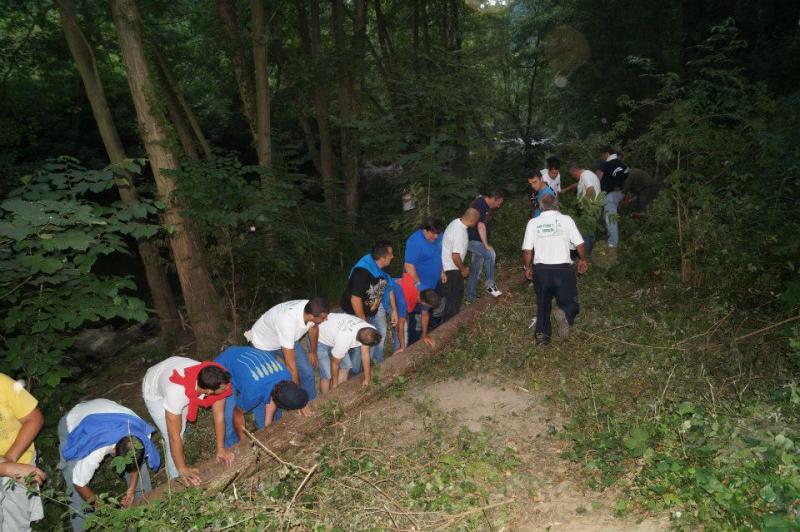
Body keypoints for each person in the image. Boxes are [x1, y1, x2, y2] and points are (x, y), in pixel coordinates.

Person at [58, 398, 160, 531]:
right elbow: (79, 483)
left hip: (107, 413)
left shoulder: (141, 436)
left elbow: (136, 462)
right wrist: (104, 510)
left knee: (142, 472)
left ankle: (144, 516)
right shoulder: (96, 449)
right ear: (113, 451)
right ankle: (83, 527)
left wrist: (132, 489)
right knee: (75, 488)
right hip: (73, 425)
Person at [142, 357, 233, 486]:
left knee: (180, 428)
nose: (227, 388)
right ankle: (176, 479)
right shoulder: (177, 394)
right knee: (172, 435)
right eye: (223, 388)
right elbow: (174, 436)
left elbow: (219, 416)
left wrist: (221, 449)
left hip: (173, 365)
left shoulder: (215, 377)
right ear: (209, 391)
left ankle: (178, 465)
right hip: (153, 388)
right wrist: (182, 469)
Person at [522, 194, 589, 344]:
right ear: (557, 205)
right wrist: (583, 260)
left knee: (543, 303)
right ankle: (565, 312)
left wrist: (527, 267)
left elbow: (527, 251)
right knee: (570, 302)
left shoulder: (533, 223)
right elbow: (580, 245)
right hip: (563, 271)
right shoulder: (566, 220)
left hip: (541, 272)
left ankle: (542, 335)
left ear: (540, 206)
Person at [215, 346, 310, 448]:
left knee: (265, 419)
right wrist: (243, 439)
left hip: (247, 363)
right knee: (228, 415)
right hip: (224, 367)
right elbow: (237, 412)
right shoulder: (253, 394)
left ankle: (265, 429)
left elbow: (273, 395)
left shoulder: (285, 376)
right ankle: (232, 446)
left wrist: (267, 425)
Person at [246, 298, 330, 402]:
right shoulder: (288, 322)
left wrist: (313, 352)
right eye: (323, 317)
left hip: (287, 338)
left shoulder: (310, 306)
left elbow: (313, 327)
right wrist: (297, 397)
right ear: (311, 316)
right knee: (271, 381)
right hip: (264, 343)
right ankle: (284, 411)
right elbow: (291, 367)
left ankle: (311, 401)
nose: (326, 319)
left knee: (307, 371)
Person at [341, 242, 399, 366]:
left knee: (380, 334)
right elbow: (355, 299)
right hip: (355, 313)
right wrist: (363, 322)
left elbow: (389, 288)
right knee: (359, 344)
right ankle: (355, 372)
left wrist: (393, 310)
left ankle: (376, 362)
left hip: (373, 308)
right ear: (382, 258)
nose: (393, 257)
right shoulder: (362, 272)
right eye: (391, 254)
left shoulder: (384, 267)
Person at [0, 373, 45, 531]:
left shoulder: (2, 382)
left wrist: (10, 459)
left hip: (20, 461)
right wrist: (5, 468)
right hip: (11, 466)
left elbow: (34, 418)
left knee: (17, 525)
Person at [404, 218, 445, 343]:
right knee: (417, 318)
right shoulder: (415, 241)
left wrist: (442, 270)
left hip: (433, 283)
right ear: (424, 230)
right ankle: (413, 345)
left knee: (430, 310)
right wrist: (418, 284)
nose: (436, 236)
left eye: (438, 233)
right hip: (420, 287)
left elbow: (440, 254)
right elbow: (409, 265)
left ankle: (428, 333)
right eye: (433, 233)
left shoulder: (438, 235)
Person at [316, 313, 381, 391]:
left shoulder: (370, 330)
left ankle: (338, 394)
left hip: (335, 331)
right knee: (327, 375)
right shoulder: (344, 341)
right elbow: (335, 363)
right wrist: (335, 384)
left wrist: (367, 378)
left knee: (346, 367)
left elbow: (365, 355)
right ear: (360, 342)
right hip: (320, 336)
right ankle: (325, 400)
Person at [440, 208, 481, 321]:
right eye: (477, 221)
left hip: (447, 268)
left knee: (448, 301)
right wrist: (463, 269)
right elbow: (455, 256)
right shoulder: (460, 232)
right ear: (473, 220)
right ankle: (449, 327)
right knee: (453, 301)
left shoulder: (456, 223)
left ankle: (444, 325)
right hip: (452, 270)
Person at [385, 272, 442, 349]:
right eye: (429, 306)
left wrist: (424, 335)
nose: (428, 308)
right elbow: (400, 325)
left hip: (401, 283)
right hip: (388, 292)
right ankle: (399, 349)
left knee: (405, 321)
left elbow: (425, 314)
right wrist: (402, 346)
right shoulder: (403, 301)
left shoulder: (425, 291)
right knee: (400, 325)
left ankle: (402, 347)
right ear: (424, 303)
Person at [466, 189, 505, 301]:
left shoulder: (485, 205)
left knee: (475, 268)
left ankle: (470, 296)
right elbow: (480, 226)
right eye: (498, 203)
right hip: (472, 240)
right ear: (494, 199)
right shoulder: (480, 204)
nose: (498, 206)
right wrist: (486, 245)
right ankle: (490, 285)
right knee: (490, 254)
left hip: (478, 241)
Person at [597, 146, 629, 248]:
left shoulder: (605, 164)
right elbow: (628, 181)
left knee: (610, 219)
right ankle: (613, 238)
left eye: (603, 155)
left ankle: (612, 243)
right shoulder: (623, 165)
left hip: (609, 195)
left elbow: (597, 179)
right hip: (621, 194)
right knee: (611, 217)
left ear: (606, 153)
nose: (602, 157)